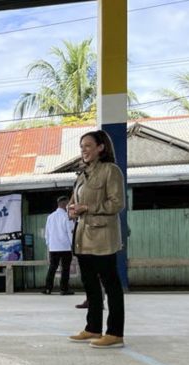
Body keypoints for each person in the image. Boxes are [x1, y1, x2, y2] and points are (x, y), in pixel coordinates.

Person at [68, 130, 125, 349]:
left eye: (88, 145)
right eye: (82, 146)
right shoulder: (83, 175)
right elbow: (76, 203)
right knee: (90, 286)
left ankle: (115, 333)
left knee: (111, 286)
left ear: (101, 147)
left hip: (102, 237)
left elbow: (116, 203)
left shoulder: (111, 171)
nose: (83, 150)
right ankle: (93, 328)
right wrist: (73, 210)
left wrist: (88, 208)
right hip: (83, 236)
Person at [43, 196, 75, 295]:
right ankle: (64, 289)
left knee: (52, 267)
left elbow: (47, 233)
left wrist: (48, 243)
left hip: (53, 247)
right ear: (65, 203)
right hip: (65, 247)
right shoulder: (66, 216)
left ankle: (48, 289)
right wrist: (72, 245)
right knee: (65, 268)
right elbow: (70, 232)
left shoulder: (50, 216)